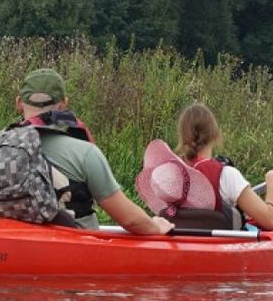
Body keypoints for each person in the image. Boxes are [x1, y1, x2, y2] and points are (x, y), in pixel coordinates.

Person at [15, 68, 173, 234]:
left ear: (19, 102)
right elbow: (131, 220)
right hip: (74, 253)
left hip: (15, 252)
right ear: (63, 103)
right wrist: (156, 227)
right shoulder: (85, 154)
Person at [137, 102, 273, 230]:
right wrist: (271, 181)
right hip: (220, 256)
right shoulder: (227, 176)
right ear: (215, 135)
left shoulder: (168, 177)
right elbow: (271, 221)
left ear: (183, 136)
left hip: (181, 253)